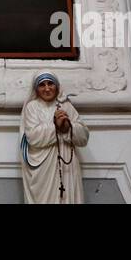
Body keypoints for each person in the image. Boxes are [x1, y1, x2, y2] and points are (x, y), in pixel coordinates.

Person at [19, 71, 89, 204]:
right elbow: (33, 137)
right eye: (42, 85)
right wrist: (55, 126)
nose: (47, 88)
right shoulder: (32, 107)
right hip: (44, 167)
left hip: (67, 165)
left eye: (50, 83)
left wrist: (67, 128)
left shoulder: (66, 106)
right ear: (36, 89)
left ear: (56, 86)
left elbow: (84, 137)